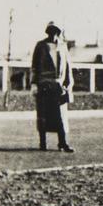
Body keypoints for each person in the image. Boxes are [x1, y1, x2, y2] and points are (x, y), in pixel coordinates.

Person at [31, 21, 74, 152]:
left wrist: (68, 85)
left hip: (58, 86)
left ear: (58, 32)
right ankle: (42, 143)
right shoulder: (40, 46)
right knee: (43, 115)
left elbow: (68, 67)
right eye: (50, 30)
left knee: (60, 116)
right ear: (47, 31)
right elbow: (34, 67)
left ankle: (63, 143)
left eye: (55, 30)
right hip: (43, 85)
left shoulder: (63, 46)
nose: (52, 33)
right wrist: (34, 84)